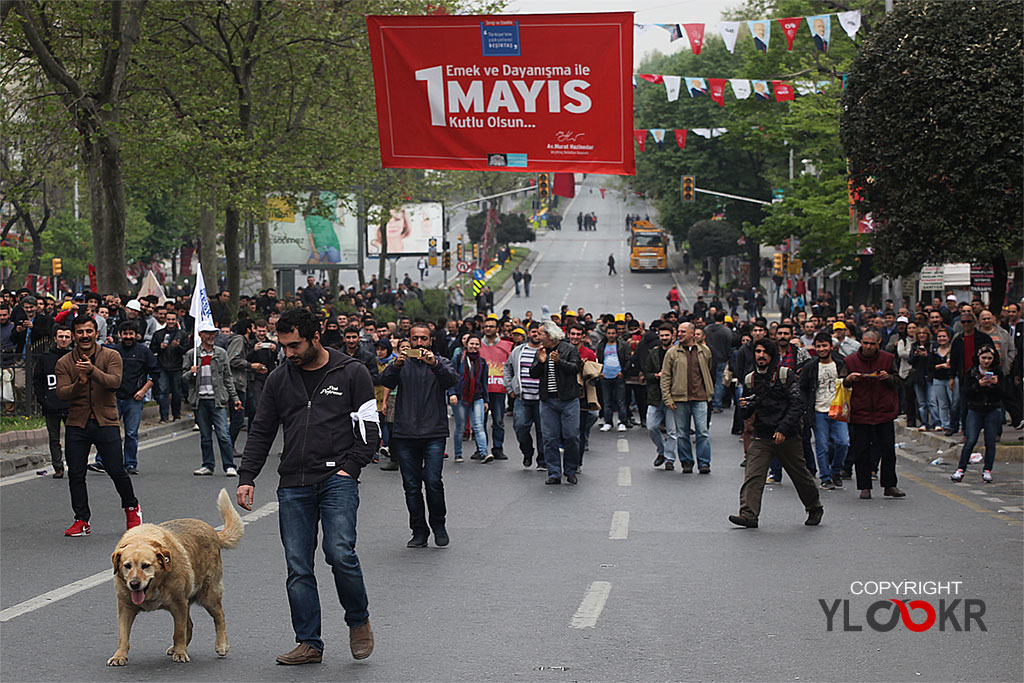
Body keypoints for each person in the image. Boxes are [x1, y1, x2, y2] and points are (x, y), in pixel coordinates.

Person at [237, 308, 378, 665]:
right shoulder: (279, 379)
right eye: (283, 346)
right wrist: (247, 476)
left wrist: (350, 469)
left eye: (294, 345)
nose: (288, 353)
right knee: (298, 566)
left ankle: (358, 620)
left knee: (340, 553)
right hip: (293, 483)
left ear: (315, 338)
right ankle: (309, 643)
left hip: (337, 481)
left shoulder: (352, 372)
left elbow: (371, 432)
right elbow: (262, 430)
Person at [56, 315, 142, 537]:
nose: (84, 336)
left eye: (88, 331)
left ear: (96, 333)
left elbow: (115, 382)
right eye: (80, 332)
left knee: (116, 470)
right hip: (77, 423)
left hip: (106, 421)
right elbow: (62, 393)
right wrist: (80, 382)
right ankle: (81, 519)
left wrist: (92, 371)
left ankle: (132, 507)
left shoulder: (111, 355)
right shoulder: (64, 362)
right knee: (76, 473)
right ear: (74, 335)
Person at [730, 338, 823, 528]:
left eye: (765, 352)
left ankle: (814, 507)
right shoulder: (751, 379)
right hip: (762, 435)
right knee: (753, 475)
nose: (761, 355)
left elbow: (797, 404)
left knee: (800, 476)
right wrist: (745, 407)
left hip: (786, 436)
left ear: (771, 355)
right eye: (758, 352)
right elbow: (748, 411)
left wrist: (783, 429)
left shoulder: (784, 375)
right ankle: (749, 515)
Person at [379, 323, 458, 548]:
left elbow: (453, 381)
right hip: (405, 433)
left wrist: (434, 364)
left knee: (433, 481)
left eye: (424, 339)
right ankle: (418, 531)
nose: (419, 344)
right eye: (415, 339)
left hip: (434, 432)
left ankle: (439, 524)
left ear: (430, 341)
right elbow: (384, 381)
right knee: (411, 485)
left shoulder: (440, 362)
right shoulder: (401, 363)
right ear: (409, 340)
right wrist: (396, 365)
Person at [843, 330, 905, 499]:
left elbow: (897, 381)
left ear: (879, 343)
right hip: (860, 411)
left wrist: (888, 377)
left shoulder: (888, 359)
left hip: (883, 411)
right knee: (861, 451)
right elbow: (842, 382)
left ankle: (890, 485)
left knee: (887, 451)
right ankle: (864, 486)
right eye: (865, 343)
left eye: (872, 344)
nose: (868, 347)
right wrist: (849, 379)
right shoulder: (850, 361)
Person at [183, 329, 242, 476]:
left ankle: (229, 465)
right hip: (200, 399)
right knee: (205, 435)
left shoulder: (221, 353)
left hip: (217, 400)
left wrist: (235, 398)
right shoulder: (193, 355)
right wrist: (191, 372)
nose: (211, 337)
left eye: (213, 334)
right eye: (207, 334)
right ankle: (208, 465)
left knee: (223, 434)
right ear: (201, 335)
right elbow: (183, 378)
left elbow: (227, 377)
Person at [529, 321, 582, 485]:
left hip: (568, 400)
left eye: (541, 334)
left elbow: (575, 368)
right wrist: (542, 362)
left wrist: (559, 362)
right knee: (549, 438)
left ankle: (571, 470)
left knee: (571, 436)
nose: (538, 336)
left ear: (550, 335)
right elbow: (533, 373)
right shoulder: (541, 351)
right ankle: (554, 473)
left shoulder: (569, 349)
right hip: (548, 400)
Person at [660, 322, 714, 474]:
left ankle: (704, 463)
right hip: (679, 399)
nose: (680, 334)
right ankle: (686, 462)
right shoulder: (672, 353)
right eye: (678, 331)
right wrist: (668, 398)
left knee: (702, 432)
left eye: (683, 331)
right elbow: (665, 377)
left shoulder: (704, 351)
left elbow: (708, 369)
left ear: (692, 333)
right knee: (682, 433)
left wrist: (708, 393)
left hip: (700, 397)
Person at [799, 332, 849, 490]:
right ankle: (825, 477)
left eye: (824, 346)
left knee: (843, 442)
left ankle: (835, 471)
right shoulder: (810, 368)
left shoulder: (840, 364)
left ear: (831, 346)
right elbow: (803, 388)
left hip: (838, 410)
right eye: (818, 346)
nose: (821, 349)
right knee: (822, 445)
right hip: (819, 410)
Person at [109, 321, 158, 475]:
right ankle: (104, 461)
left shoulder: (144, 352)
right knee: (110, 432)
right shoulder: (113, 351)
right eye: (125, 333)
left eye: (131, 334)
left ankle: (130, 463)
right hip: (114, 397)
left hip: (134, 399)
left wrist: (143, 391)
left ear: (136, 335)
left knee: (131, 433)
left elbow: (155, 373)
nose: (128, 337)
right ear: (120, 335)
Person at [951, 346, 1005, 483]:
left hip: (992, 409)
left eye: (989, 358)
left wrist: (995, 384)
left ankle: (987, 470)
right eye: (984, 358)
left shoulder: (998, 372)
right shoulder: (972, 372)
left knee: (990, 442)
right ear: (978, 358)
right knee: (970, 440)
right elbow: (966, 392)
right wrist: (978, 385)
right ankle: (960, 469)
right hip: (975, 409)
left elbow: (1004, 393)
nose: (986, 361)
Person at [32, 325, 72, 478]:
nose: (63, 340)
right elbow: (37, 380)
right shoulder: (45, 358)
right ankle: (58, 467)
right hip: (51, 405)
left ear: (71, 339)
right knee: (54, 438)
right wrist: (43, 400)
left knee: (73, 438)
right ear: (55, 338)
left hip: (71, 406)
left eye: (67, 337)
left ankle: (73, 465)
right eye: (61, 336)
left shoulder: (75, 356)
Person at [504, 322, 544, 468]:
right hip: (522, 398)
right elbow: (507, 369)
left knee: (543, 431)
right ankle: (527, 452)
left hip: (542, 399)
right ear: (528, 334)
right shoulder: (518, 351)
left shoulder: (547, 351)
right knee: (520, 427)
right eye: (533, 332)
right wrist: (510, 389)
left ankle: (542, 460)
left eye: (539, 332)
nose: (536, 335)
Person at [451, 334, 489, 464]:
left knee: (478, 426)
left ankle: (484, 453)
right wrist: (452, 394)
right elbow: (451, 378)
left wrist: (486, 400)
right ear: (466, 345)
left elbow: (484, 383)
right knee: (461, 427)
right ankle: (458, 454)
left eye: (477, 344)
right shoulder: (457, 360)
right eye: (471, 344)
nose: (474, 346)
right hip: (460, 397)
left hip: (477, 397)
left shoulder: (482, 362)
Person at [479, 316, 513, 459]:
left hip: (499, 389)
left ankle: (498, 448)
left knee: (498, 421)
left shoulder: (507, 346)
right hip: (481, 390)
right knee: (480, 422)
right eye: (486, 326)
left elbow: (511, 366)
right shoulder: (477, 345)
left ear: (497, 329)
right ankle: (482, 449)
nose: (488, 329)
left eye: (491, 326)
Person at [645, 323, 677, 470]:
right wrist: (656, 376)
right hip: (655, 395)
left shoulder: (678, 353)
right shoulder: (653, 353)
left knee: (672, 430)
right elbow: (647, 374)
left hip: (672, 395)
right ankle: (661, 450)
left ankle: (670, 458)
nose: (664, 338)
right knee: (651, 426)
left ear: (673, 335)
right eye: (662, 335)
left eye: (666, 335)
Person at [150, 311, 187, 423]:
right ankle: (164, 417)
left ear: (176, 321)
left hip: (177, 367)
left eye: (173, 319)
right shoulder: (158, 334)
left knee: (176, 393)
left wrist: (178, 347)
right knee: (163, 392)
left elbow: (186, 350)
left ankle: (176, 415)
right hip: (162, 366)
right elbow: (152, 349)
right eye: (169, 319)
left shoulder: (182, 334)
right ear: (165, 320)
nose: (170, 322)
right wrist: (160, 347)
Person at [597, 324, 630, 432]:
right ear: (606, 334)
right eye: (609, 333)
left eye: (613, 333)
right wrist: (600, 372)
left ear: (616, 334)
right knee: (607, 401)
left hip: (618, 376)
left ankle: (622, 421)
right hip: (605, 376)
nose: (611, 335)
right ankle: (608, 422)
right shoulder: (601, 345)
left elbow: (628, 359)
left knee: (621, 401)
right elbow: (598, 359)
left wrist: (623, 372)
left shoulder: (623, 345)